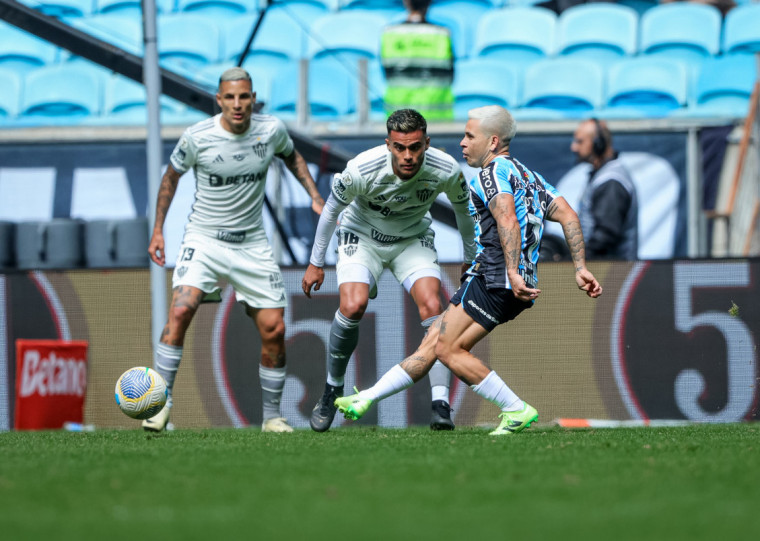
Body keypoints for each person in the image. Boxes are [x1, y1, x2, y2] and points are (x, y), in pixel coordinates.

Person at [334, 105, 603, 436]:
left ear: (492, 142)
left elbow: (505, 218)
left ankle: (515, 408)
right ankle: (366, 399)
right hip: (503, 279)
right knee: (434, 343)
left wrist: (512, 272)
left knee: (446, 349)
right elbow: (569, 215)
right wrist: (580, 267)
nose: (462, 143)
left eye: (469, 135)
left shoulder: (492, 174)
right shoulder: (530, 176)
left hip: (495, 277)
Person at [144, 67, 324, 433]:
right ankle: (160, 407)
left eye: (245, 97)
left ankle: (272, 416)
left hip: (252, 243)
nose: (238, 104)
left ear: (253, 98)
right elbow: (171, 177)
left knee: (273, 329)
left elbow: (293, 157)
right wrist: (159, 230)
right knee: (180, 310)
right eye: (230, 97)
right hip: (204, 239)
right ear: (219, 100)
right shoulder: (198, 137)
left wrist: (315, 196)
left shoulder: (270, 130)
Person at [302, 108, 476, 432]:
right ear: (388, 144)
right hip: (362, 236)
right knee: (353, 305)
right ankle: (332, 387)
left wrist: (470, 257)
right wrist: (315, 263)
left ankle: (440, 404)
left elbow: (465, 214)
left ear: (427, 143)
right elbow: (329, 213)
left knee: (433, 307)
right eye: (400, 147)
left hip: (411, 239)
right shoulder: (360, 169)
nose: (408, 156)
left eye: (415, 147)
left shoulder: (447, 170)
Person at [571, 118, 639, 261]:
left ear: (598, 144)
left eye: (580, 141)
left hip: (611, 273)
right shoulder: (603, 175)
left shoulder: (611, 181)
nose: (574, 148)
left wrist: (578, 261)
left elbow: (606, 235)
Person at [380, 0, 455, 121]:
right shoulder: (442, 34)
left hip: (399, 117)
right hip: (437, 117)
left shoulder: (389, 33)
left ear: (406, 2)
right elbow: (451, 75)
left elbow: (386, 73)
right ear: (429, 3)